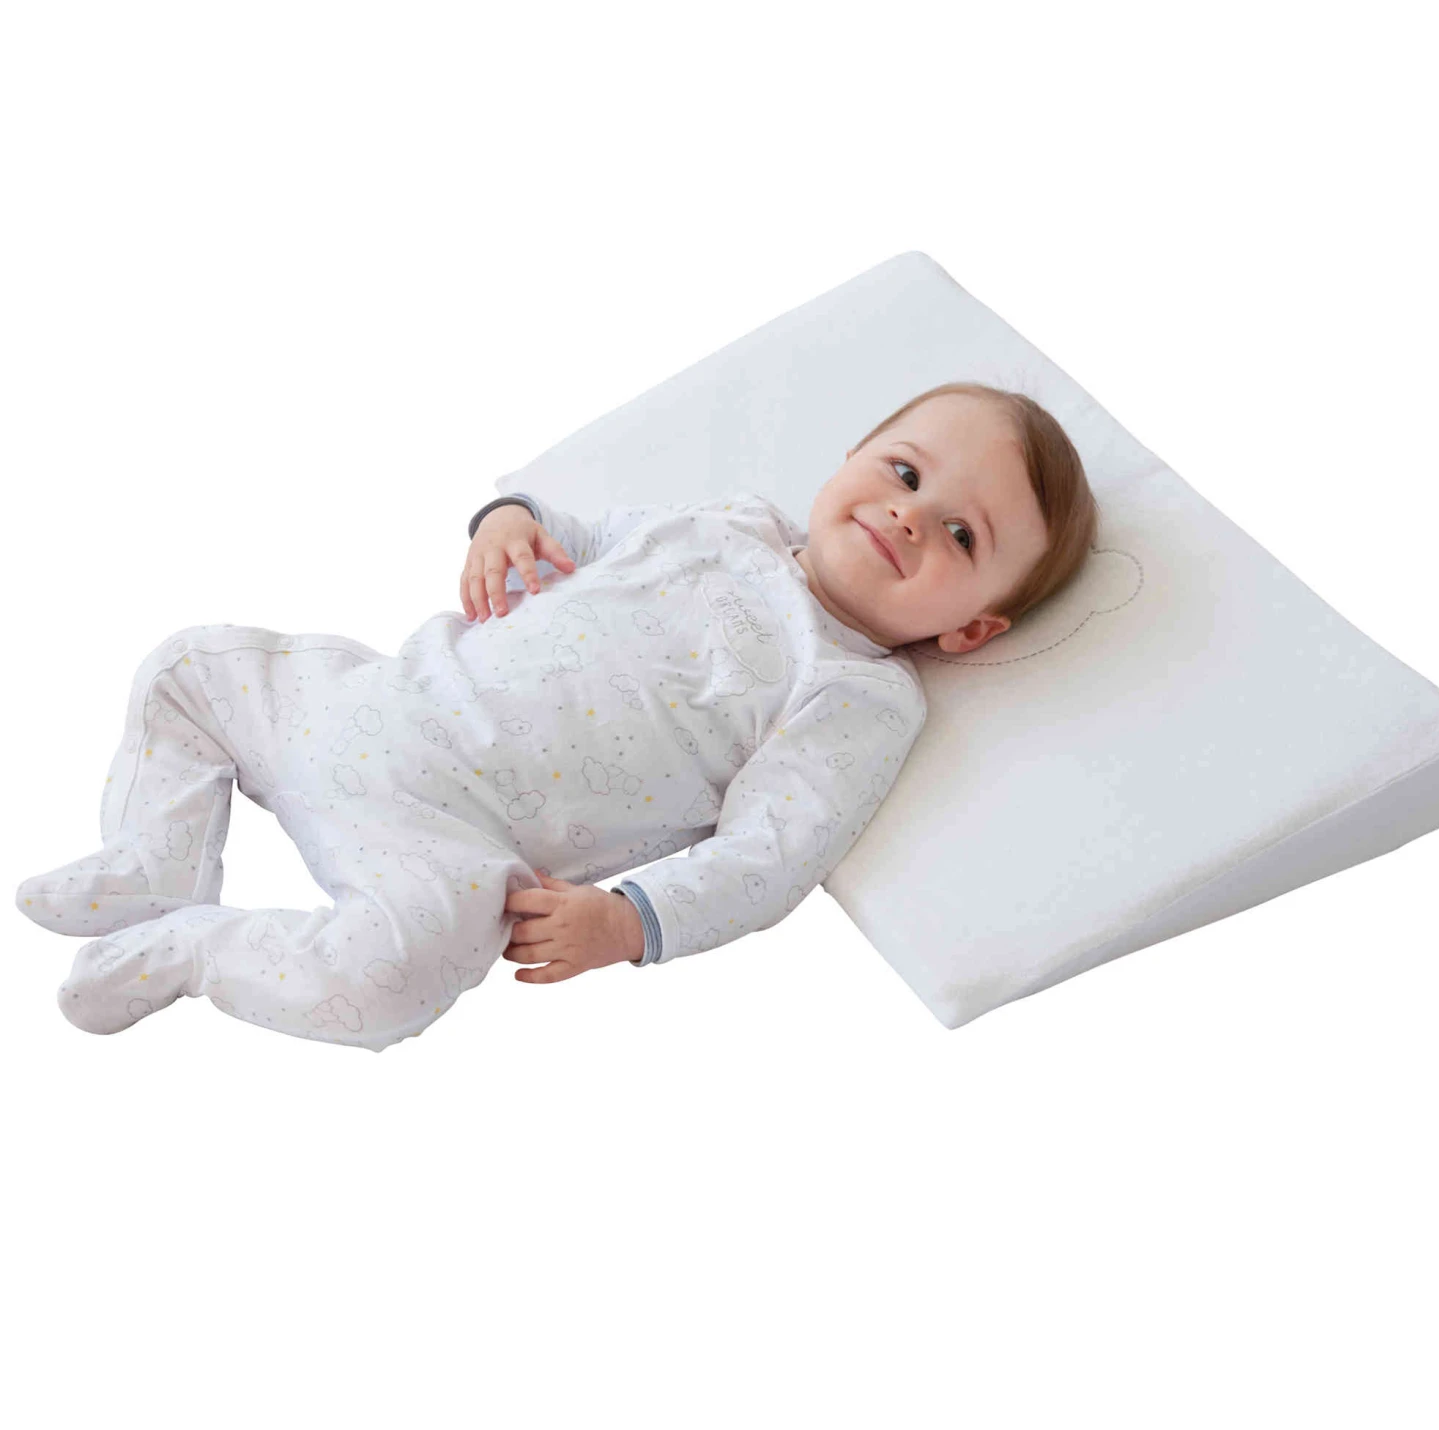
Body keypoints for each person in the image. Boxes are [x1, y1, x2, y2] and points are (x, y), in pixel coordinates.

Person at [15, 381, 1097, 1051]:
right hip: (370, 701)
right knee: (190, 666)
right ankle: (154, 859)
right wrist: (509, 524)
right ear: (851, 459)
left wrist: (633, 923)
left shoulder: (855, 692)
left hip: (452, 843)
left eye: (962, 536)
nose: (910, 515)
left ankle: (196, 950)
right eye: (903, 471)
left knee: (384, 986)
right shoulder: (726, 524)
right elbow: (575, 530)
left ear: (971, 629)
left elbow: (772, 854)